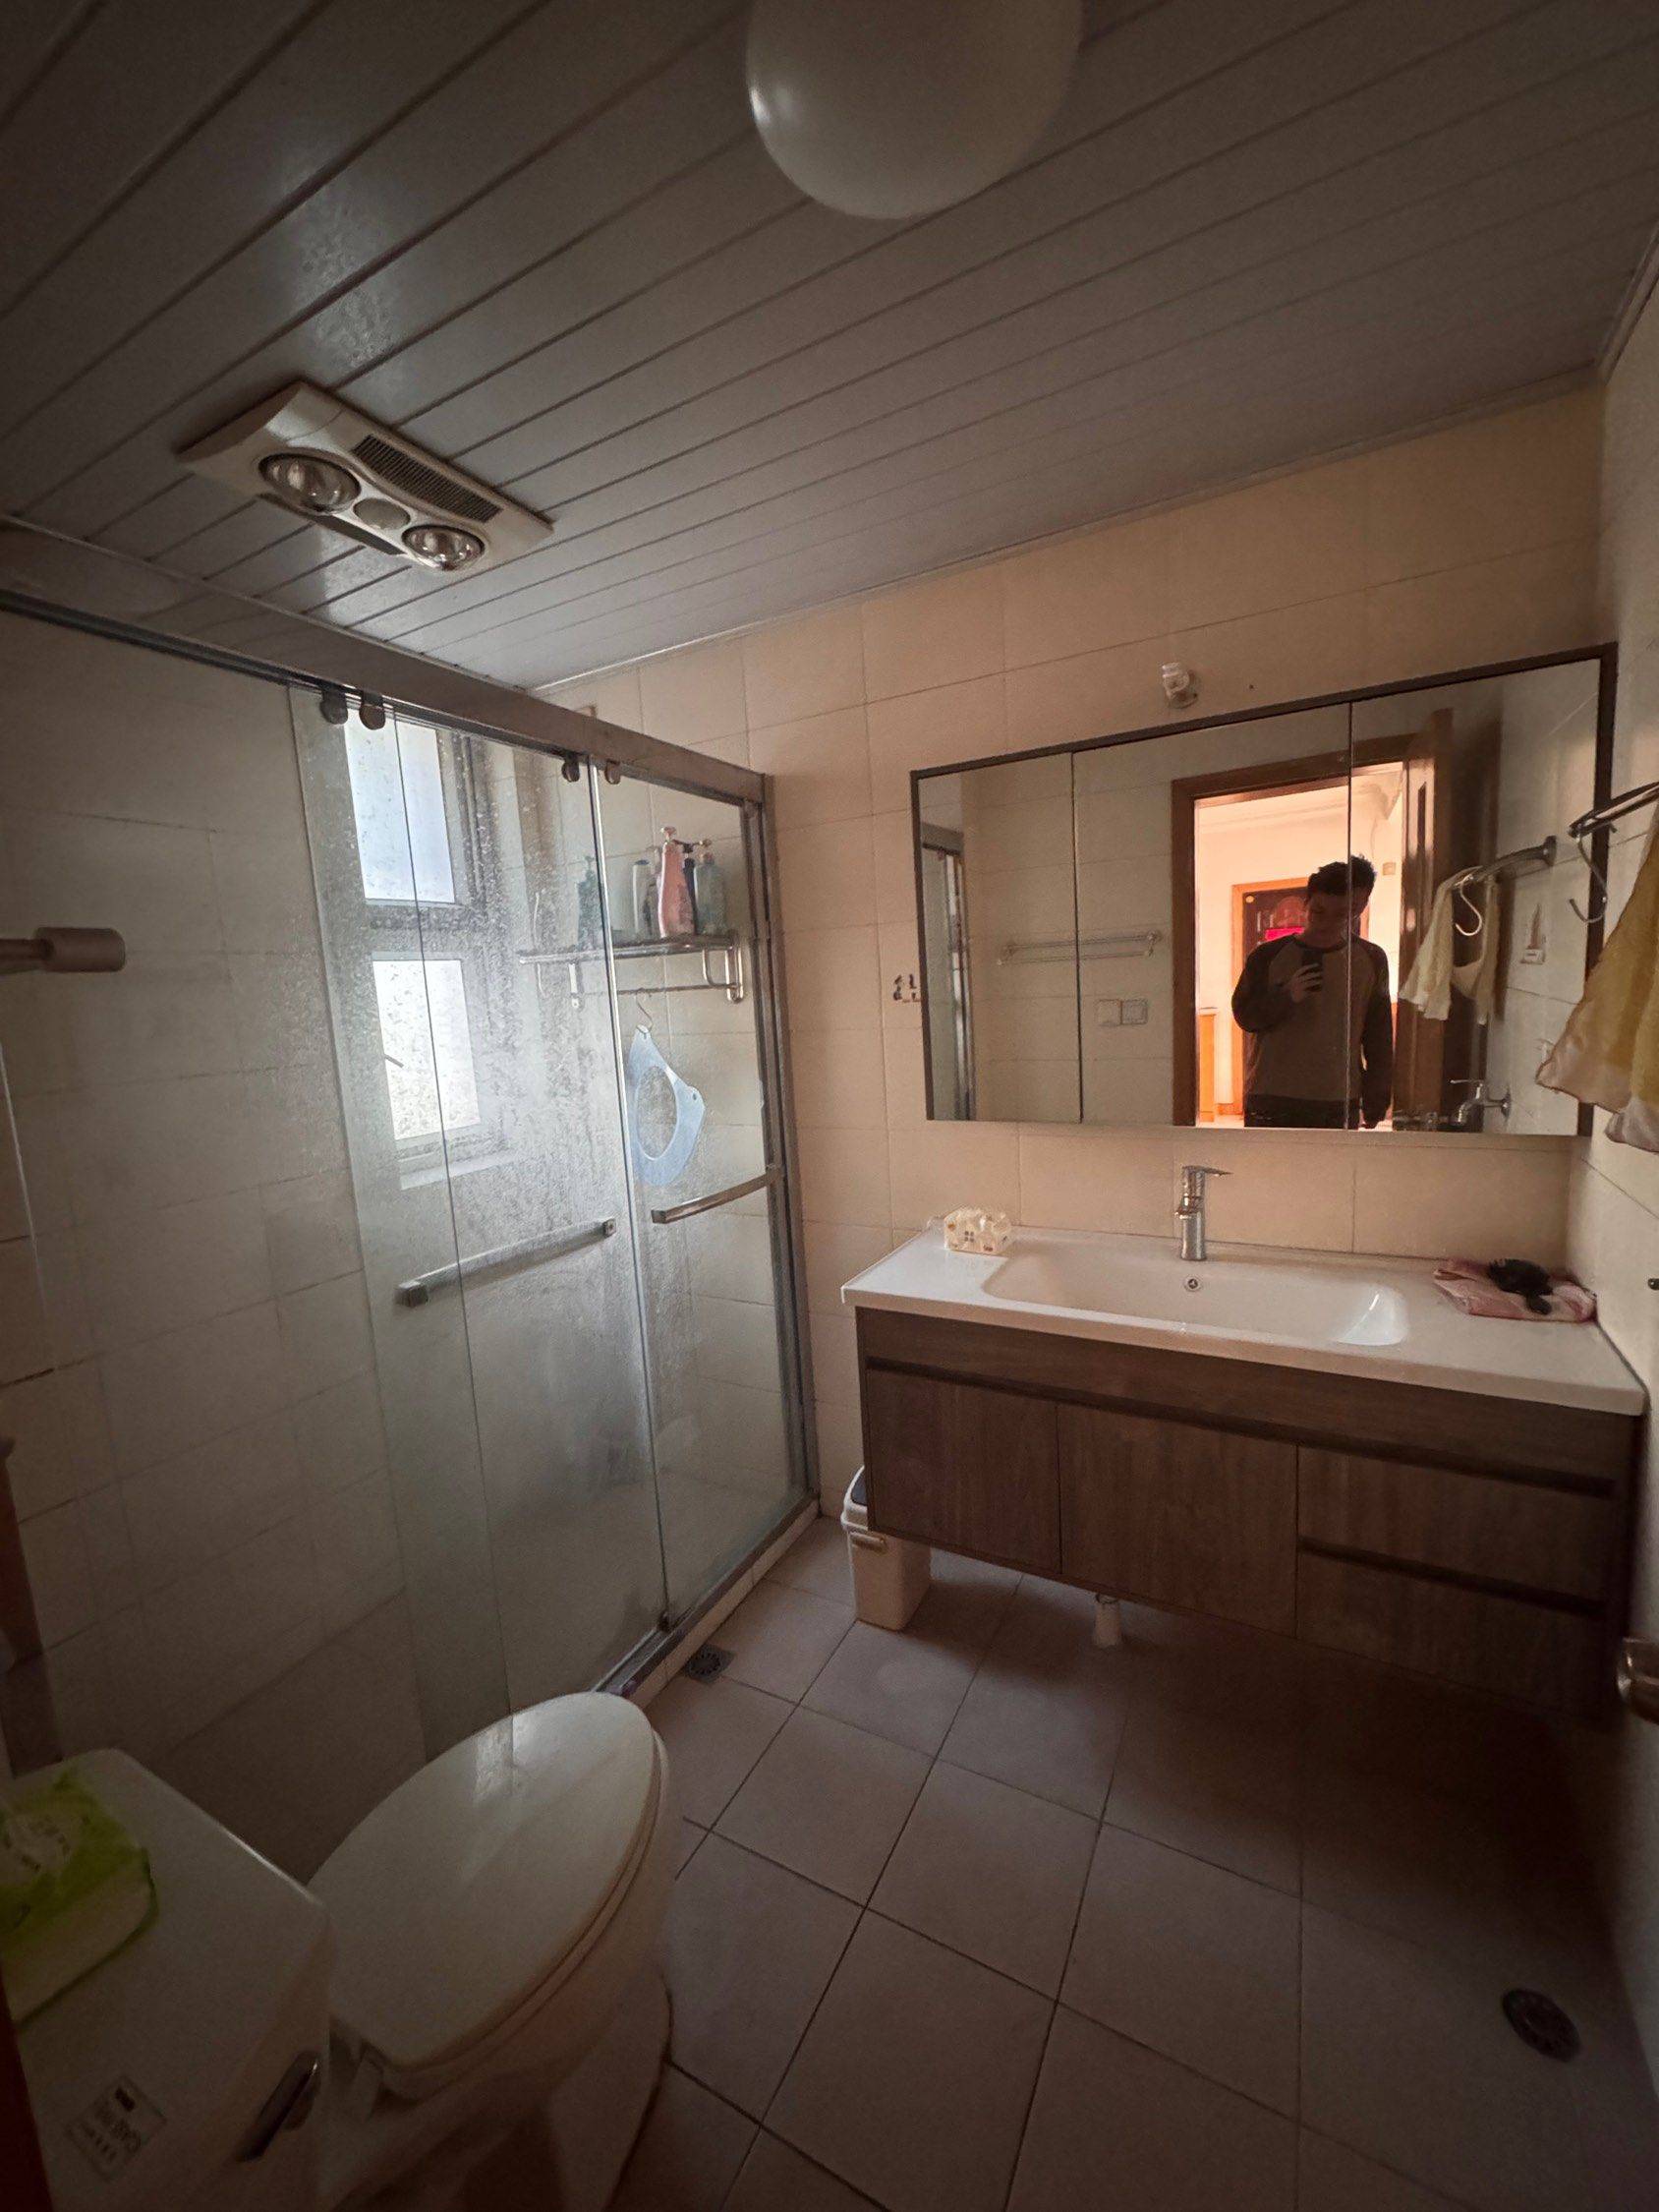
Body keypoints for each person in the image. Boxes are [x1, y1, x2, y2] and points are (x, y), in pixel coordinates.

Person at [1230, 856, 1394, 1128]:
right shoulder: (1268, 956)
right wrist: (1286, 997)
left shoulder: (1370, 959)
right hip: (1272, 1096)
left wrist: (1376, 1100)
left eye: (1340, 914)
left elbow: (1378, 1035)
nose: (1327, 922)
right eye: (1319, 911)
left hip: (1336, 1099)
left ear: (1358, 909)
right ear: (1306, 904)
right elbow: (1245, 1017)